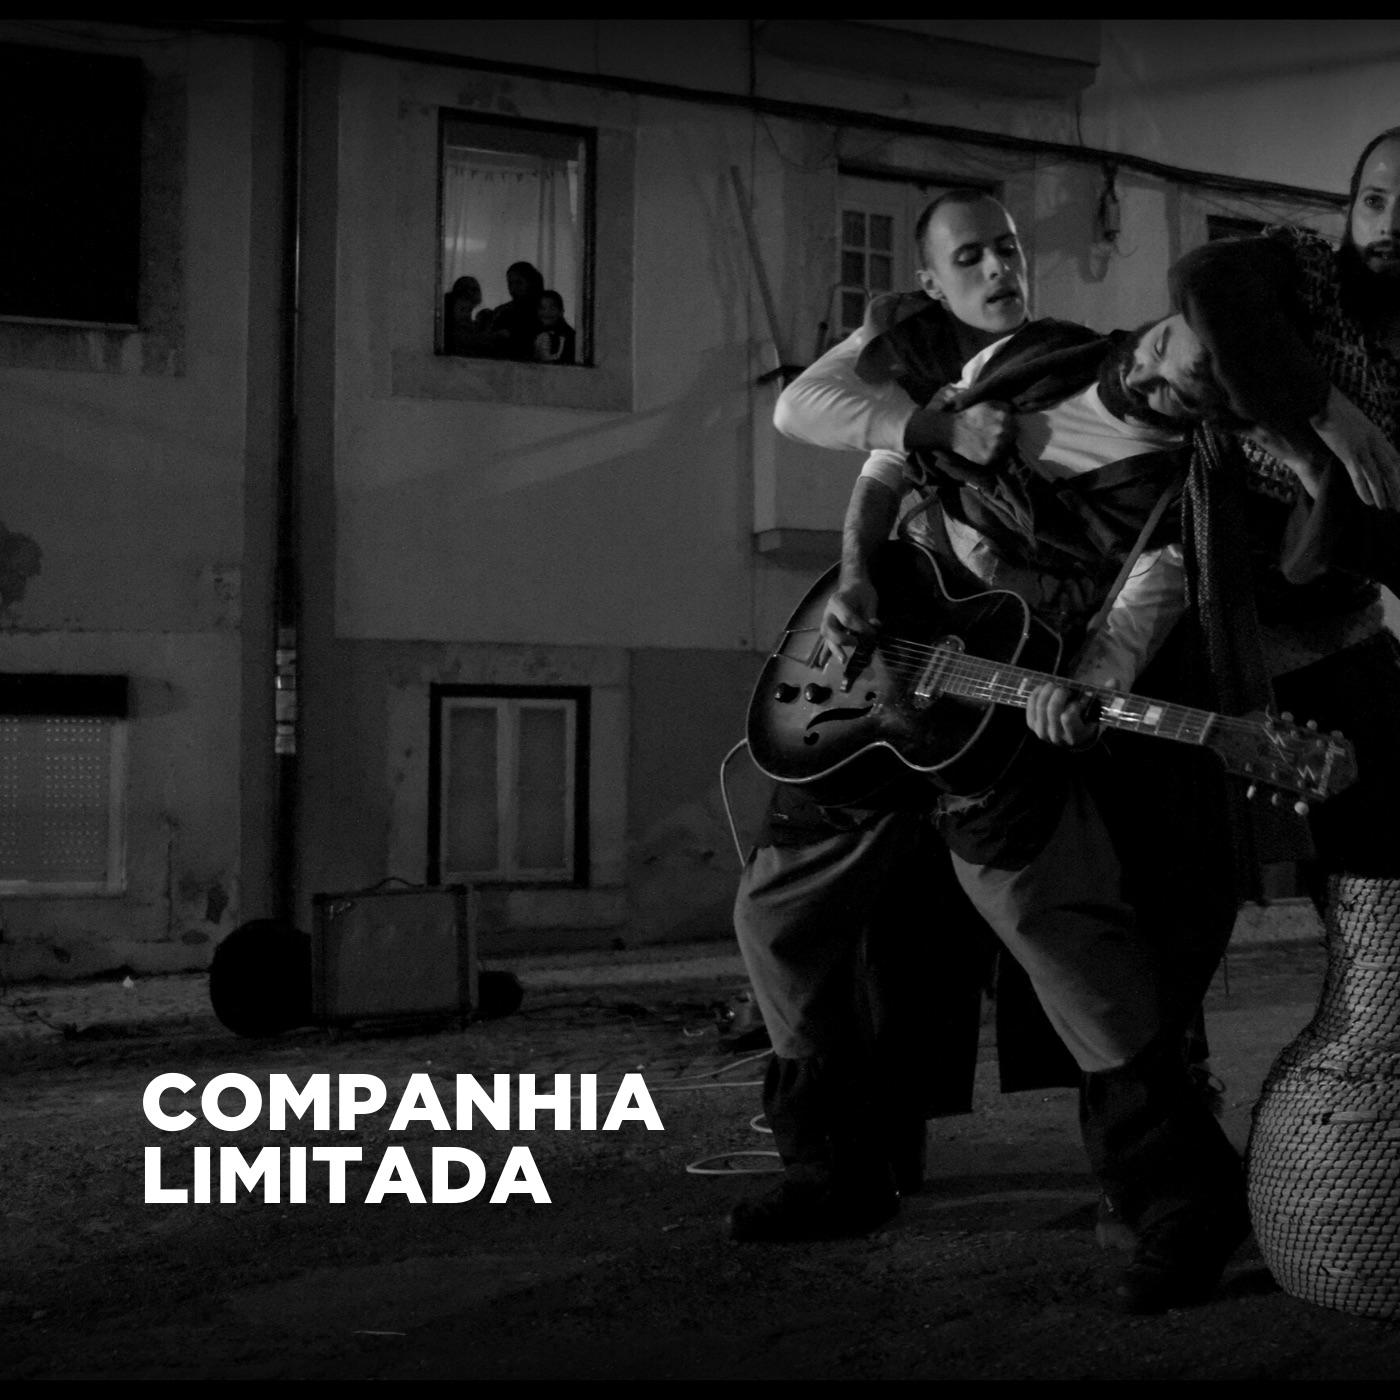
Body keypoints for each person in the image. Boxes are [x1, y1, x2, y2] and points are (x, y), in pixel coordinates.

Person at [735, 189, 1247, 1315]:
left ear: (1210, 407)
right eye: (1167, 343)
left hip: (996, 723)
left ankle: (1184, 1203)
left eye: (1189, 385)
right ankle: (834, 1167)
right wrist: (858, 575)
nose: (1159, 374)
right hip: (877, 685)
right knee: (776, 913)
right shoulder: (1022, 358)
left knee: (1073, 955)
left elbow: (1126, 631)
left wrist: (1083, 695)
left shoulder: (1178, 499)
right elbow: (878, 463)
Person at [442, 276, 485, 356]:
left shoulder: (471, 325)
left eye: (470, 310)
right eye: (463, 309)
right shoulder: (445, 327)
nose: (467, 315)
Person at [533, 289, 577, 364]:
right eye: (542, 308)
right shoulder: (533, 332)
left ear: (561, 311)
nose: (546, 312)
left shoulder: (570, 338)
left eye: (552, 308)